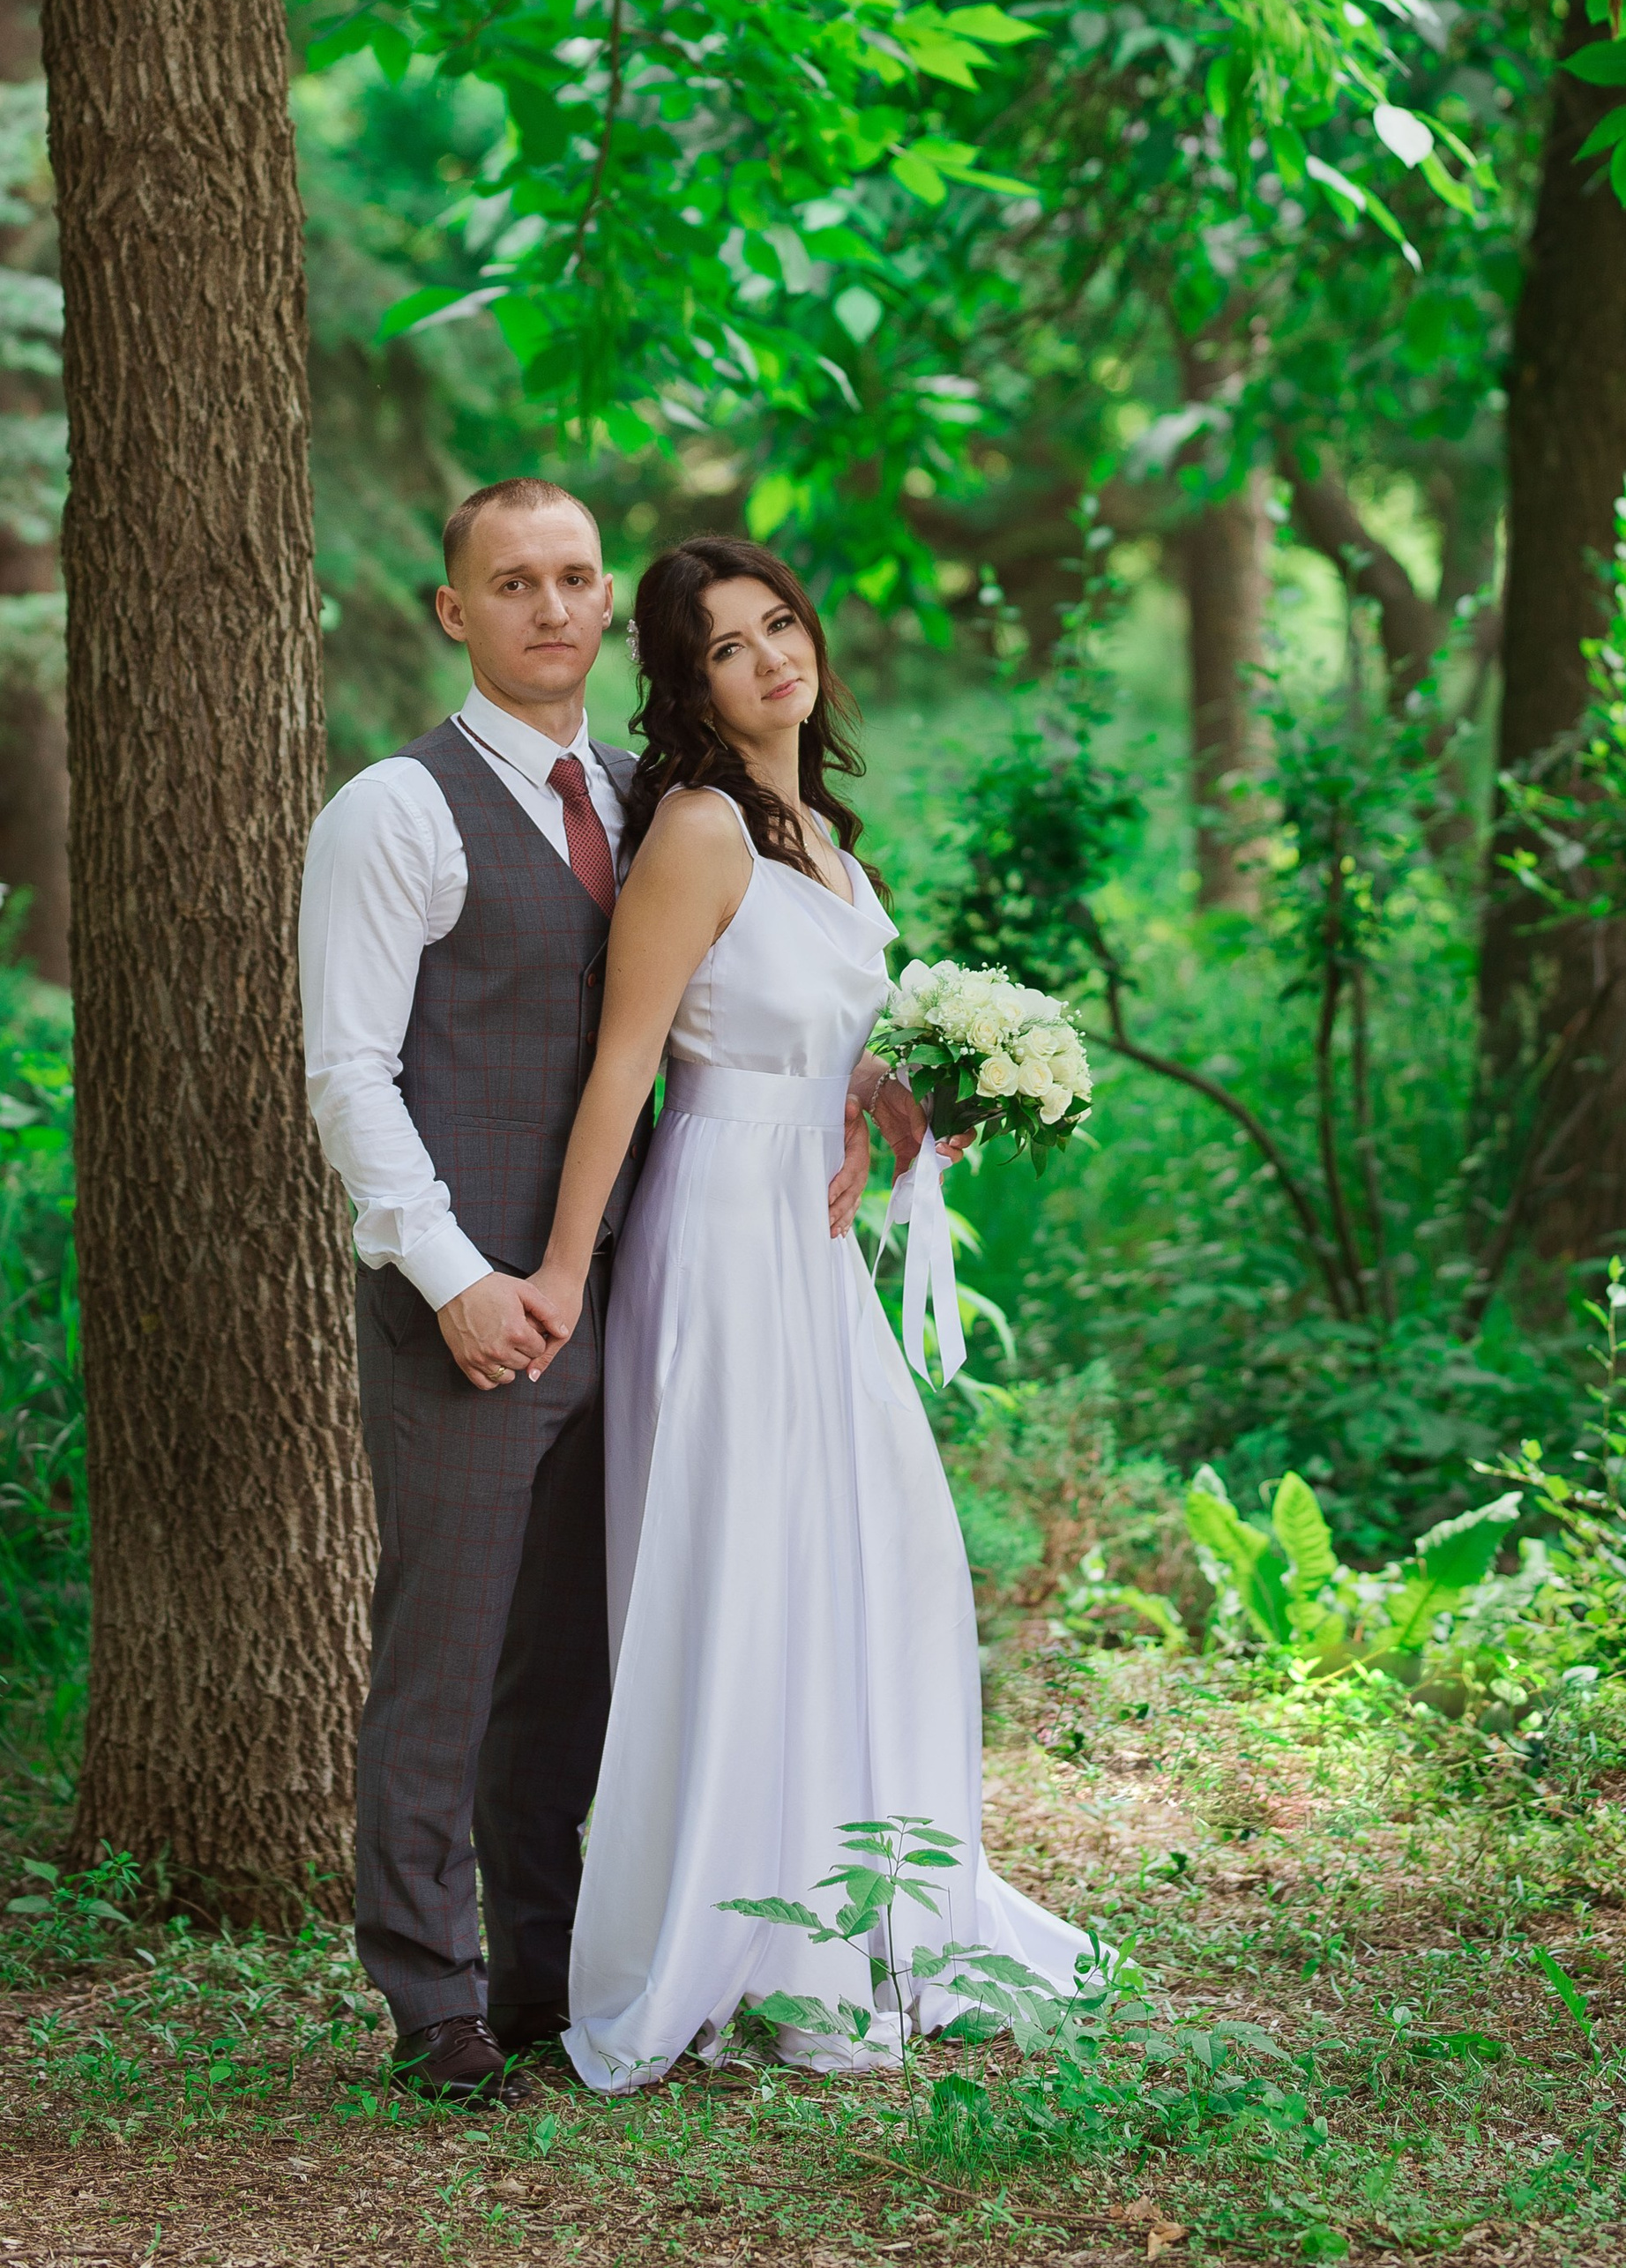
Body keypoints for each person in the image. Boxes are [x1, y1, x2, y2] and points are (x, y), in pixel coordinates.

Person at [299, 481, 874, 2108]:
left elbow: (729, 1007)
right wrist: (457, 1277)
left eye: (572, 579)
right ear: (453, 611)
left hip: (648, 1297)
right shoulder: (394, 813)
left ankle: (552, 1969)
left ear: (605, 603)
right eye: (511, 583)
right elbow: (349, 1074)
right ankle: (433, 2000)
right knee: (449, 1656)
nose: (548, 609)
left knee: (577, 1661)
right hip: (471, 1308)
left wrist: (866, 1091)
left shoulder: (653, 801)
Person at [517, 534, 1089, 2092]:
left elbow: (839, 1049)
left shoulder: (829, 839)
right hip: (714, 1225)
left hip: (814, 1231)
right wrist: (567, 1271)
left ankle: (871, 1905)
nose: (773, 657)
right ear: (688, 684)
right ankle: (743, 1933)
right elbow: (627, 1066)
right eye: (728, 645)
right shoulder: (698, 831)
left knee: (873, 1547)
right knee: (743, 1562)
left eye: (782, 624)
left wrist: (912, 1105)